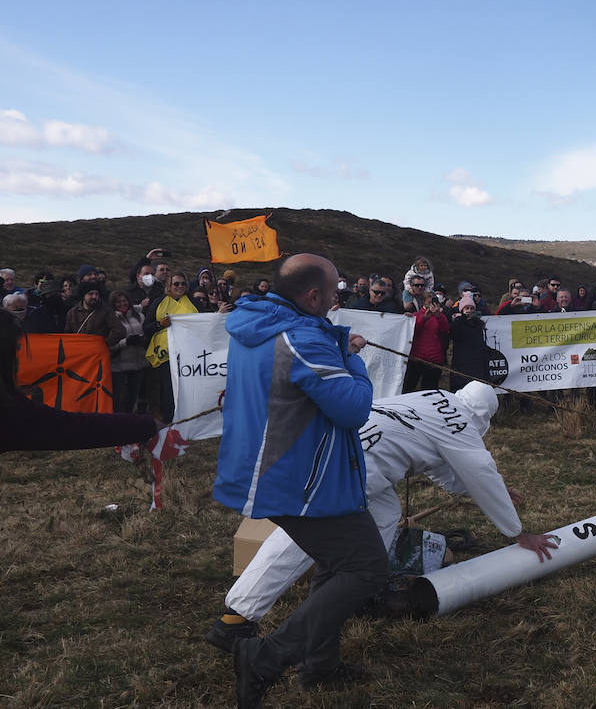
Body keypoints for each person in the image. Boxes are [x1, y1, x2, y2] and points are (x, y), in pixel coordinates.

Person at [206, 382, 557, 652]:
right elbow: (479, 470)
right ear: (483, 417)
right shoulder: (461, 424)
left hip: (324, 448)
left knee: (382, 513)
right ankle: (243, 617)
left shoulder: (430, 398)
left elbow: (441, 466)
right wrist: (517, 533)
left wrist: (485, 489)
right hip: (352, 471)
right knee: (306, 538)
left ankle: (348, 590)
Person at [213, 253, 388, 706]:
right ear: (313, 296)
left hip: (285, 470)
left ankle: (321, 666)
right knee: (366, 567)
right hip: (297, 479)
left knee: (334, 564)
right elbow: (352, 408)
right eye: (333, 295)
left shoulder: (259, 324)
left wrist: (336, 338)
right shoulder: (300, 337)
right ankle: (267, 657)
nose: (335, 302)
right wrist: (353, 360)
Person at [2, 308, 159, 452]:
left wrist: (142, 426)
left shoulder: (10, 404)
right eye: (15, 350)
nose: (18, 358)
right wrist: (144, 426)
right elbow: (64, 428)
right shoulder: (9, 410)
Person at [145, 272, 198, 423]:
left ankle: (188, 417)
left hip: (189, 353)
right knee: (168, 387)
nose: (180, 286)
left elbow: (205, 321)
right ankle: (169, 419)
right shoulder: (158, 303)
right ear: (169, 285)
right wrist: (160, 324)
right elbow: (146, 328)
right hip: (166, 354)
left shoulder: (194, 303)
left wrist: (219, 314)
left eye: (183, 283)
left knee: (187, 387)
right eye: (176, 284)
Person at [109, 291, 148, 415]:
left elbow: (146, 332)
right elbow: (107, 344)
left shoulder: (139, 316)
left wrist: (143, 340)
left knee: (132, 398)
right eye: (118, 302)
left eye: (124, 300)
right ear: (113, 304)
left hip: (138, 363)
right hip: (119, 367)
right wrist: (126, 342)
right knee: (119, 400)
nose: (122, 303)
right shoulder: (110, 319)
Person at [403, 289, 449, 393]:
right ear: (423, 302)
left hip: (434, 358)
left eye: (433, 302)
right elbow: (413, 332)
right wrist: (424, 318)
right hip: (416, 358)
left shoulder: (441, 316)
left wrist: (438, 316)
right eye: (428, 302)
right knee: (409, 387)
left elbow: (445, 330)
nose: (431, 305)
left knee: (430, 389)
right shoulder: (416, 315)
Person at [448, 292, 489, 389]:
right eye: (467, 308)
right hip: (462, 361)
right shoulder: (458, 323)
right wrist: (458, 321)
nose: (469, 311)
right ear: (462, 309)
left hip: (477, 361)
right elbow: (454, 336)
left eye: (471, 308)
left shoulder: (478, 324)